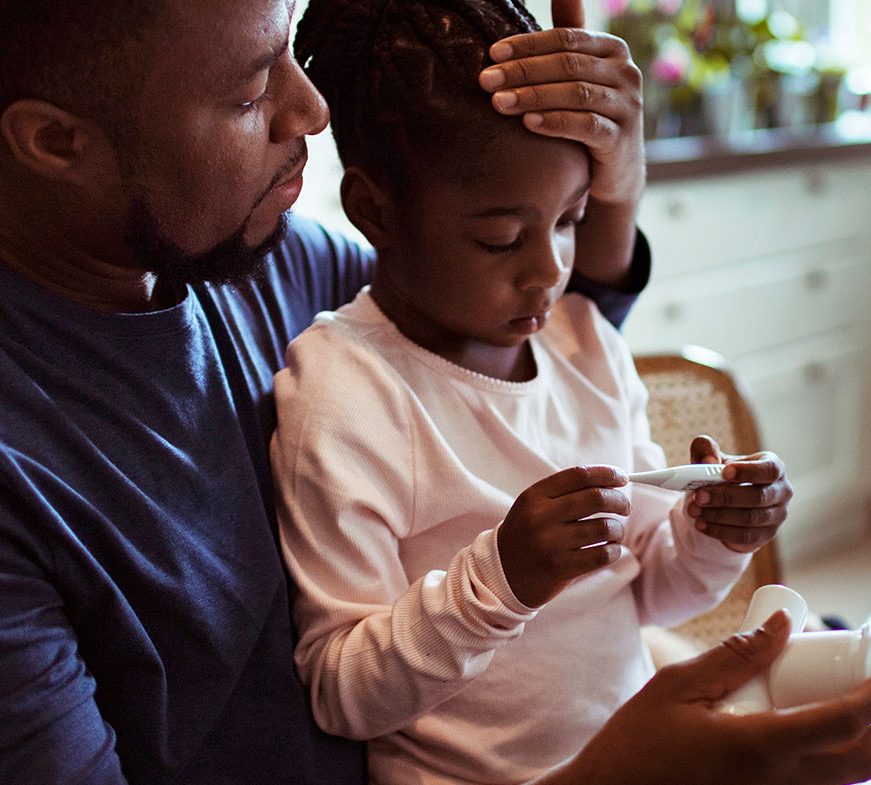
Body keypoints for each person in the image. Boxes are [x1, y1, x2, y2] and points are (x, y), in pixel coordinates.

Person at [0, 0, 871, 783]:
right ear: (54, 138)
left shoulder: (252, 258)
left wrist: (608, 196)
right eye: (250, 93)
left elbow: (492, 368)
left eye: (289, 44)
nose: (312, 111)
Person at [270, 2, 790, 782]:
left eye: (572, 219)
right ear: (373, 210)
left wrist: (714, 534)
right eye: (502, 239)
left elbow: (648, 589)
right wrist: (502, 579)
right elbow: (344, 692)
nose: (549, 269)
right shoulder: (345, 396)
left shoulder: (584, 344)